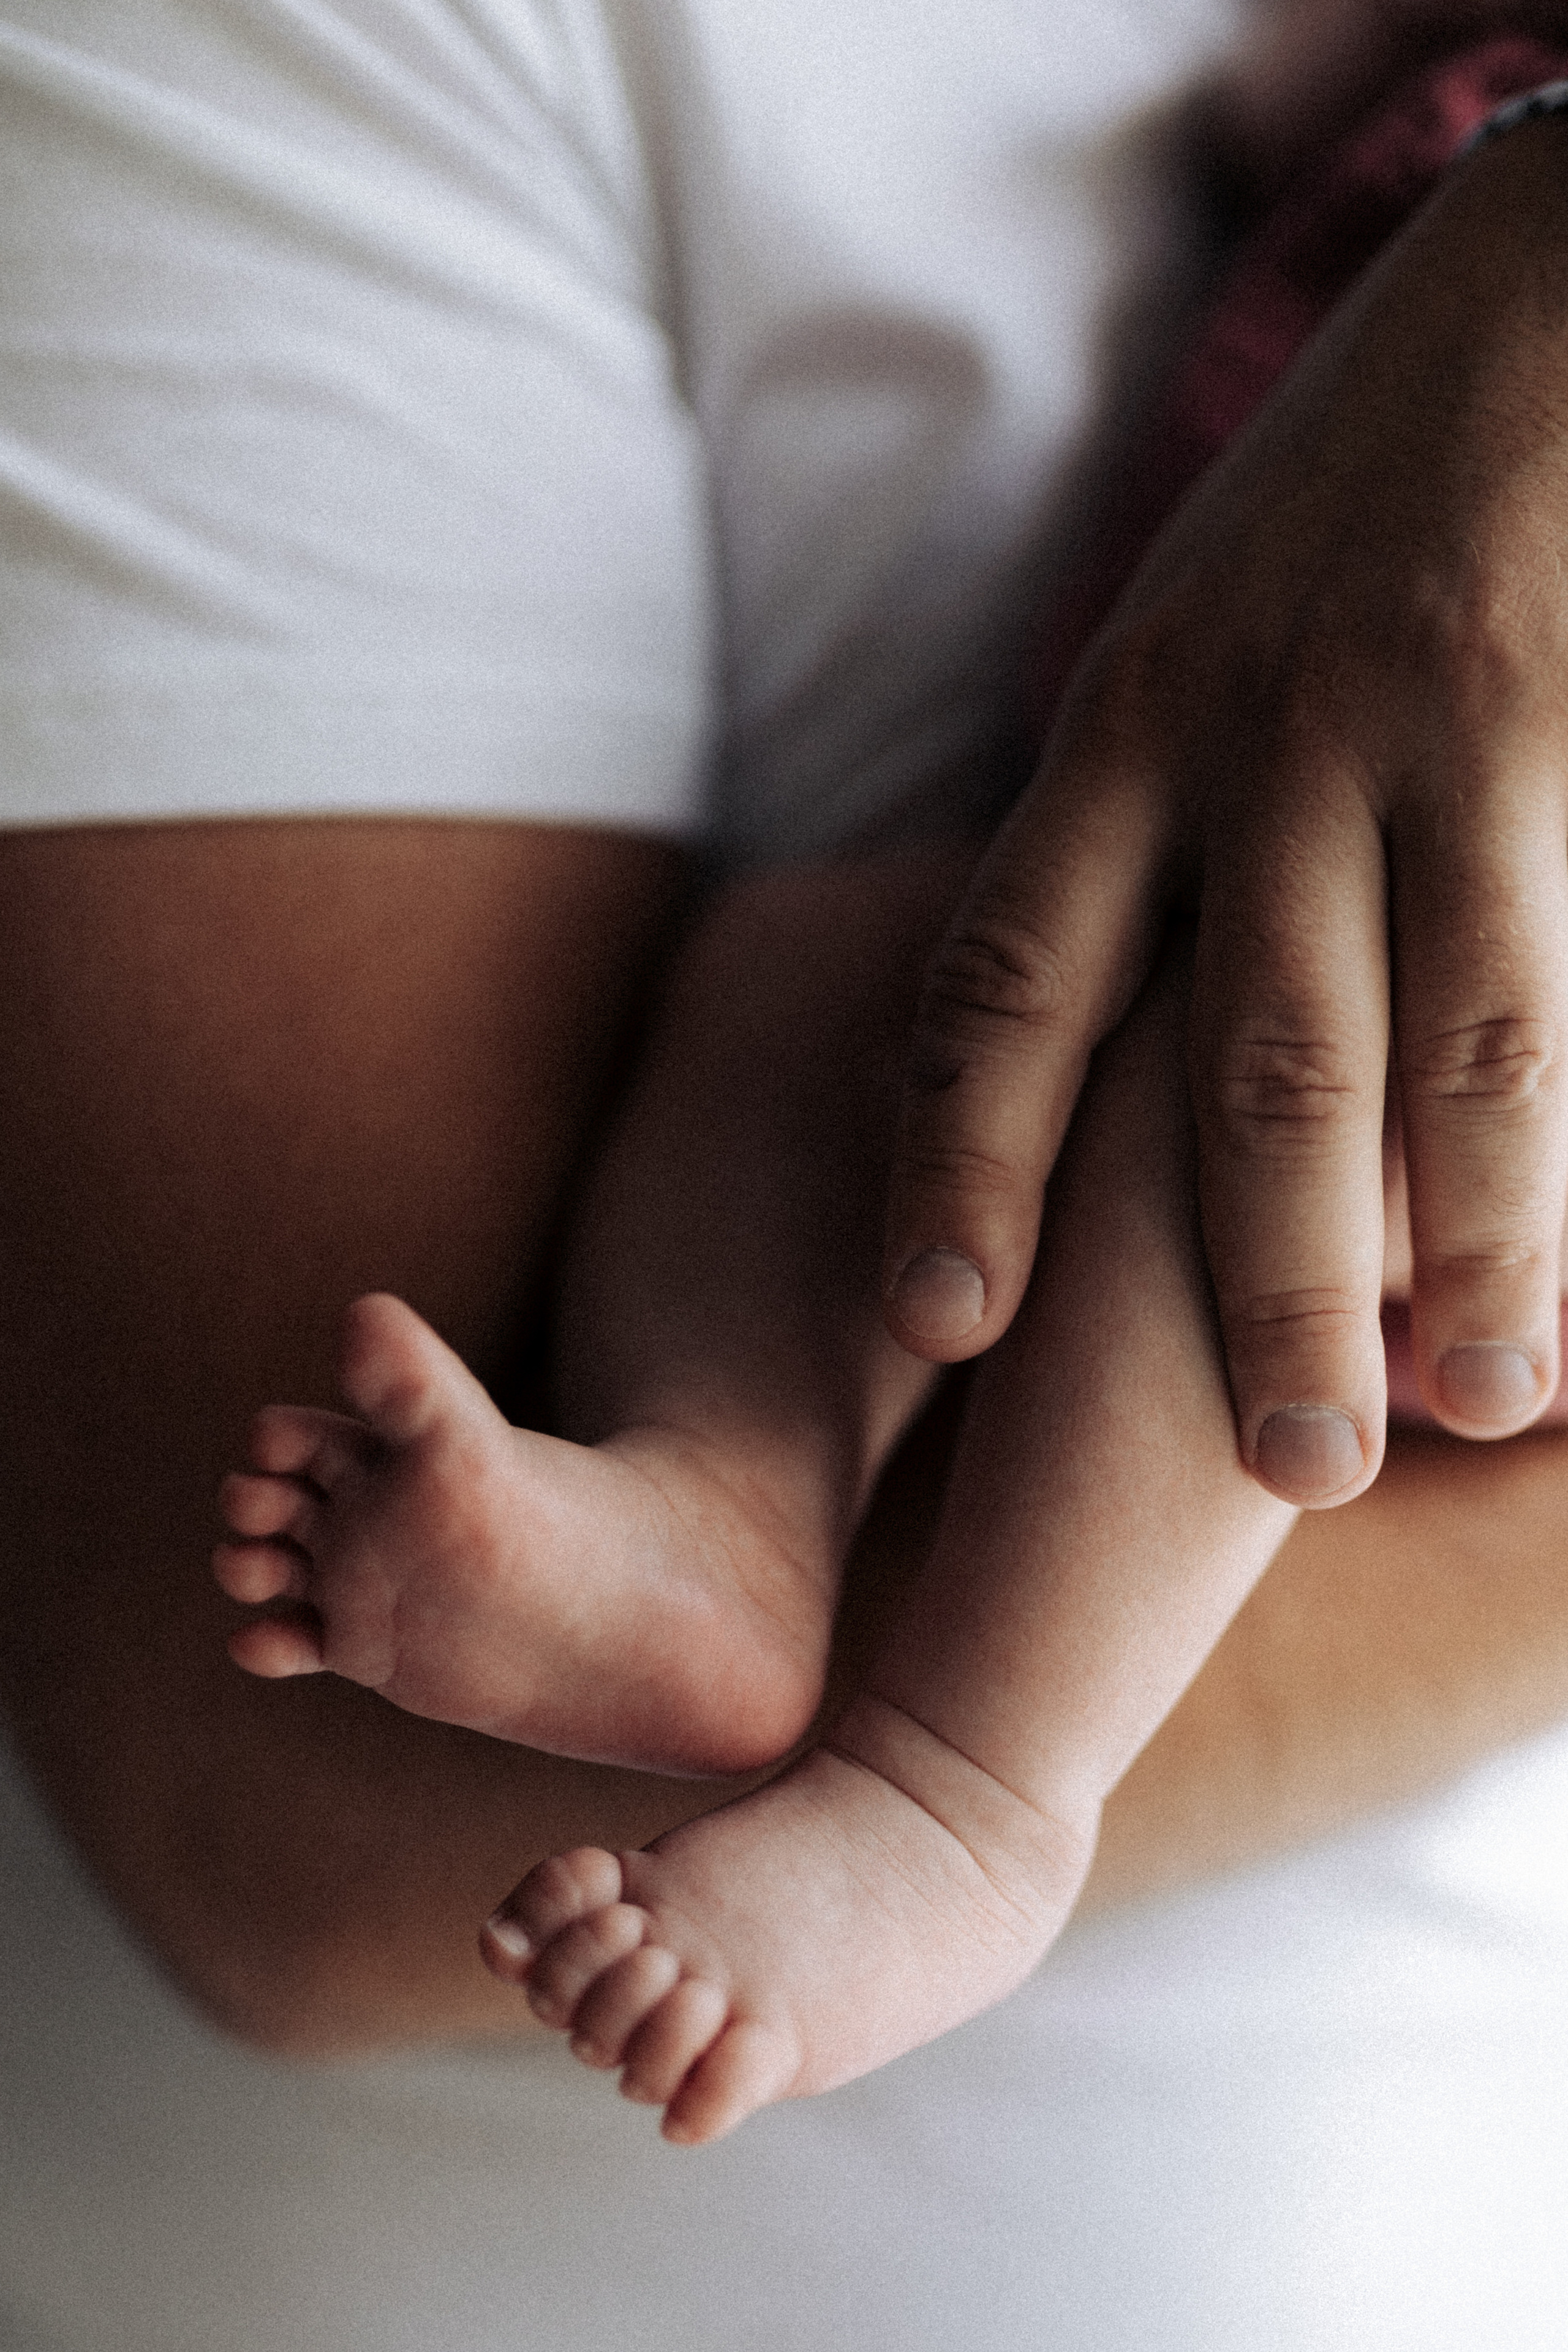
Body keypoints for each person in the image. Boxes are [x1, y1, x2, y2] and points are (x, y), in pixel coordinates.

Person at [5, 1, 1568, 2343]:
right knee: (836, 972)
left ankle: (966, 1789)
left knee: (1256, 1069)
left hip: (1442, 979)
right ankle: (725, 1507)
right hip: (1163, 858)